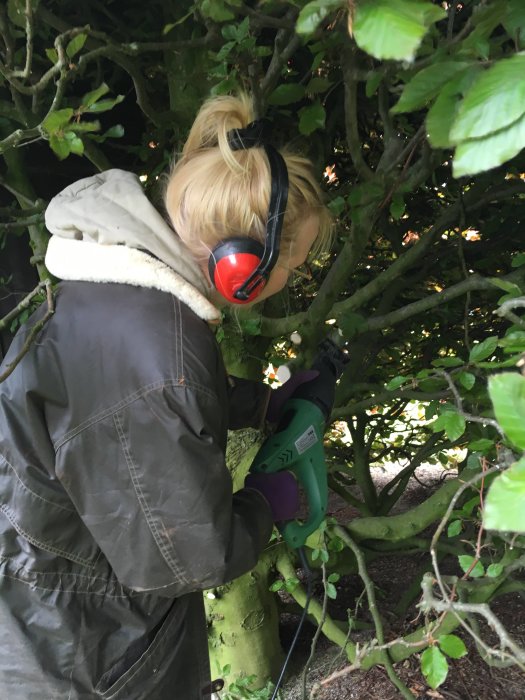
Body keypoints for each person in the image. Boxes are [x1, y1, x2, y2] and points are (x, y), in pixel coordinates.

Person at [0, 93, 330, 699]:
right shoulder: (158, 353)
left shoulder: (118, 297)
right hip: (85, 653)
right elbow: (183, 561)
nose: (295, 282)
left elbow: (120, 404)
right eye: (298, 265)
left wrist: (260, 407)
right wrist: (264, 502)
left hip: (54, 611)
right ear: (244, 263)